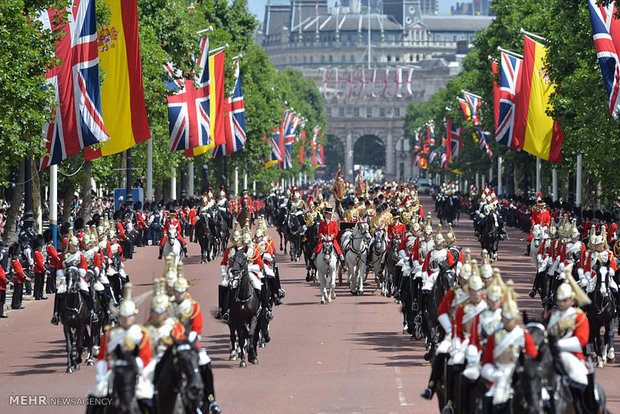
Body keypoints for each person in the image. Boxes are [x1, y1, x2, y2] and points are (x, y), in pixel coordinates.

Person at [480, 280, 538, 410]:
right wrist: (494, 374)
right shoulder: (494, 337)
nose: (508, 321)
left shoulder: (523, 335)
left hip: (519, 377)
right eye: (506, 318)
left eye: (511, 318)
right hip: (500, 374)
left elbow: (533, 358)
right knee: (490, 399)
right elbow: (487, 362)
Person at [172, 273, 222, 413]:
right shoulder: (168, 306)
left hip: (190, 344)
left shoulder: (192, 306)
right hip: (171, 343)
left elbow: (196, 328)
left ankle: (211, 400)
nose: (179, 294)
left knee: (205, 363)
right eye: (177, 291)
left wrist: (188, 341)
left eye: (182, 291)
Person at [91, 283, 151, 399]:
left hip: (136, 371)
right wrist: (102, 374)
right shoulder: (110, 334)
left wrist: (134, 364)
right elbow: (103, 357)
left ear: (134, 315)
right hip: (113, 372)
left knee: (147, 396)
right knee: (96, 394)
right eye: (123, 316)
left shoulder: (141, 334)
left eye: (129, 316)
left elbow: (146, 357)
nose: (126, 319)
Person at [51, 236, 98, 324]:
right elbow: (60, 267)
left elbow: (84, 266)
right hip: (66, 278)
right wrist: (61, 276)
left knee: (86, 291)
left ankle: (92, 312)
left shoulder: (80, 256)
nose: (76, 247)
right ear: (70, 245)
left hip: (78, 277)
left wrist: (80, 272)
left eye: (77, 245)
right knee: (59, 293)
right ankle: (56, 314)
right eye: (74, 245)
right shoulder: (64, 255)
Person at [9, 243, 28, 310]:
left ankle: (17, 304)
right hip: (18, 279)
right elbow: (19, 272)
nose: (17, 256)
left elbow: (19, 270)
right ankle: (16, 304)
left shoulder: (15, 261)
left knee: (18, 292)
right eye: (16, 255)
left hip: (18, 278)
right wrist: (25, 277)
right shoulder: (15, 262)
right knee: (17, 292)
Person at [32, 235, 47, 300]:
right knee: (38, 284)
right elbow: (39, 263)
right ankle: (37, 295)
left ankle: (40, 294)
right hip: (38, 270)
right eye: (41, 246)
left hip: (40, 270)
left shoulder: (39, 252)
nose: (41, 247)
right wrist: (44, 269)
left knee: (41, 284)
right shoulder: (36, 253)